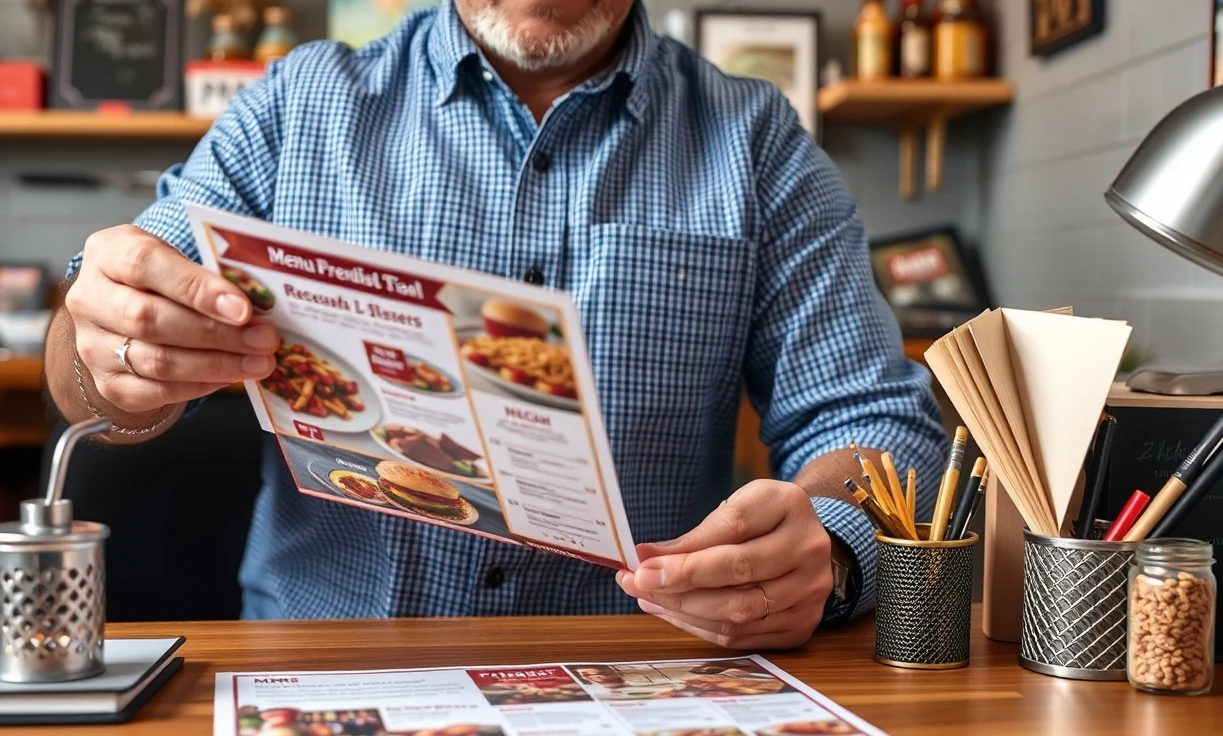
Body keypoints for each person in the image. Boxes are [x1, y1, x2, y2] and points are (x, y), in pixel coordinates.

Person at [44, 0, 946, 648]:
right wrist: (106, 349)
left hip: (642, 673)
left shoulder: (757, 140)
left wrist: (828, 541)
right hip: (325, 664)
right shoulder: (297, 103)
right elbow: (98, 337)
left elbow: (872, 421)